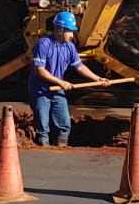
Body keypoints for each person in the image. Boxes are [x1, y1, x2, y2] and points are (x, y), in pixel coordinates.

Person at [28, 11, 110, 147]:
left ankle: (61, 148)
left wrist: (97, 79)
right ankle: (43, 151)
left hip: (57, 90)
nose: (72, 35)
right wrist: (61, 82)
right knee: (42, 127)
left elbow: (80, 67)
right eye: (70, 31)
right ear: (59, 30)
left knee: (64, 124)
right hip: (40, 90)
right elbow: (39, 70)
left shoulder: (69, 47)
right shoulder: (43, 44)